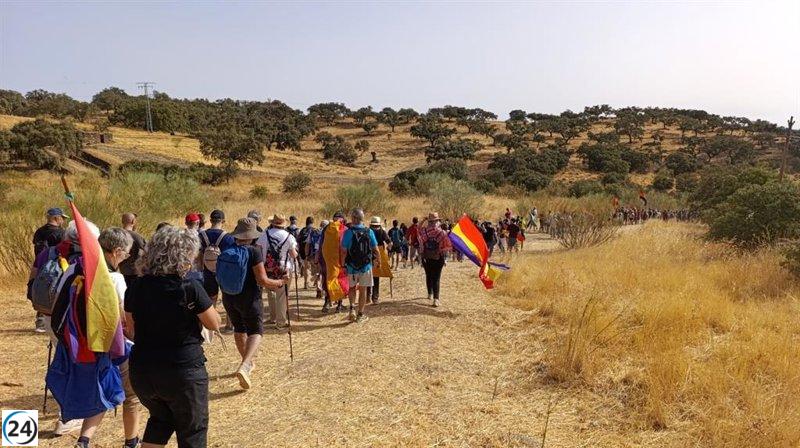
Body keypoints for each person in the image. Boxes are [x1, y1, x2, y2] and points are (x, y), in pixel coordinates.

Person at [124, 226, 221, 448]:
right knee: (192, 431)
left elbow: (132, 331)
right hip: (182, 371)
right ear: (183, 256)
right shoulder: (188, 287)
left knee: (160, 420)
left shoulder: (136, 287)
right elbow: (214, 323)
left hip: (144, 371)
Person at [47, 219, 122, 446]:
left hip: (65, 333)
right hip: (95, 343)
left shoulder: (70, 267)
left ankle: (68, 421)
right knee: (102, 390)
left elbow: (56, 298)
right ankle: (82, 435)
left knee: (73, 379)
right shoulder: (110, 277)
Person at [219, 218, 288, 389]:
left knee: (239, 328)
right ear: (252, 235)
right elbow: (263, 280)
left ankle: (246, 363)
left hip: (229, 296)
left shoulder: (227, 249)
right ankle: (245, 364)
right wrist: (280, 282)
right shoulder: (254, 251)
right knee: (256, 331)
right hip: (249, 297)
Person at [256, 214, 297, 329]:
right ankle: (280, 322)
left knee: (270, 292)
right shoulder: (289, 236)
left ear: (273, 223)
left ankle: (273, 317)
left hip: (267, 268)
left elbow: (258, 250)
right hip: (283, 269)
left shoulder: (264, 235)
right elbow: (293, 254)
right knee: (282, 295)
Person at [31, 207, 68, 332]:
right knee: (55, 293)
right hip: (56, 268)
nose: (62, 221)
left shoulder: (39, 231)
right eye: (62, 218)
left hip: (40, 266)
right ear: (56, 218)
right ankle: (55, 321)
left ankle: (40, 322)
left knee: (41, 291)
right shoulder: (61, 233)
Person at [198, 210, 235, 332]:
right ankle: (229, 325)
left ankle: (210, 326)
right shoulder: (228, 237)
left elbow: (198, 255)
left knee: (210, 298)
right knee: (228, 297)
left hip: (207, 270)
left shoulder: (202, 236)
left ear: (210, 220)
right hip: (224, 271)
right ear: (223, 221)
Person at [340, 209, 379, 322]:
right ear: (362, 218)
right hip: (365, 266)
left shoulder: (348, 232)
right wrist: (378, 261)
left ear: (352, 218)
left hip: (351, 266)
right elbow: (375, 249)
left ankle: (352, 308)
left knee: (352, 288)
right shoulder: (369, 231)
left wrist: (343, 265)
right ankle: (360, 315)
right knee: (363, 290)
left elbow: (343, 251)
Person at [418, 212, 452, 307]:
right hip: (438, 257)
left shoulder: (424, 231)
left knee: (428, 275)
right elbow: (446, 246)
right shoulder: (441, 232)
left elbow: (418, 229)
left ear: (429, 221)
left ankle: (430, 294)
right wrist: (445, 258)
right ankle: (436, 300)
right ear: (437, 221)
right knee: (436, 278)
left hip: (426, 257)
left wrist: (423, 220)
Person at [367, 216, 391, 304]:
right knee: (376, 278)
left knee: (368, 277)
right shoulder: (382, 231)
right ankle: (375, 298)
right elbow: (389, 242)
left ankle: (367, 297)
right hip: (378, 256)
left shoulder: (367, 231)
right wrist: (387, 251)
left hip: (368, 255)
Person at [119, 212, 146, 287]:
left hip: (118, 270)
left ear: (122, 221)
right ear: (133, 222)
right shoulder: (137, 237)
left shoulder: (116, 234)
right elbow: (146, 251)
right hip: (132, 272)